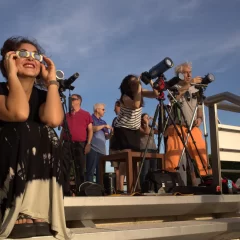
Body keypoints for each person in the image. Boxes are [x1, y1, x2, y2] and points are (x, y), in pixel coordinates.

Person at [0, 37, 71, 239]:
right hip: (4, 167)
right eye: (22, 54)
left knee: (49, 133)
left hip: (27, 167)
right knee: (23, 129)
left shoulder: (42, 95)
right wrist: (11, 75)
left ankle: (37, 209)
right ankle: (14, 207)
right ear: (9, 59)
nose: (30, 58)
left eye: (36, 55)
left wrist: (52, 82)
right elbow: (19, 114)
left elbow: (54, 120)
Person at [164, 62, 212, 185]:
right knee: (173, 155)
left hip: (193, 127)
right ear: (179, 74)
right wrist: (189, 84)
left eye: (190, 72)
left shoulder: (196, 89)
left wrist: (200, 118)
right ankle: (171, 180)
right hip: (177, 126)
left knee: (201, 151)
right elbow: (175, 99)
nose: (189, 74)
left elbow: (200, 107)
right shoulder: (173, 86)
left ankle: (207, 178)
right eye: (185, 72)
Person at [112, 74, 158, 191]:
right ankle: (120, 188)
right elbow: (136, 104)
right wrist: (139, 87)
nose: (136, 84)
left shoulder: (140, 91)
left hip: (134, 129)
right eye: (133, 83)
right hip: (122, 128)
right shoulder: (125, 97)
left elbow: (155, 94)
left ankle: (136, 187)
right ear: (127, 86)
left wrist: (150, 81)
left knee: (135, 160)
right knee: (126, 158)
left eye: (136, 82)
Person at [60, 94, 93, 196]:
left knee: (80, 168)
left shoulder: (86, 114)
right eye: (70, 99)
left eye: (73, 99)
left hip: (80, 144)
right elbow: (62, 130)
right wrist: (60, 143)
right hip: (67, 144)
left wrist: (88, 144)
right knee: (65, 167)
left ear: (79, 101)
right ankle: (65, 191)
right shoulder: (66, 115)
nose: (71, 101)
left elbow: (90, 130)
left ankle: (80, 191)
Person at [86, 103, 111, 184]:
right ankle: (89, 190)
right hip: (93, 149)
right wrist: (104, 126)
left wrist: (112, 133)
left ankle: (99, 191)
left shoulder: (103, 121)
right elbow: (92, 129)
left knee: (101, 173)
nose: (105, 111)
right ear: (97, 109)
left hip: (102, 151)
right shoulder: (90, 118)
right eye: (103, 109)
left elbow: (107, 137)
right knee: (90, 171)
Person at [139, 113, 158, 189]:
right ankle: (143, 187)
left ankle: (154, 186)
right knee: (145, 170)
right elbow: (146, 132)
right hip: (144, 149)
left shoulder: (151, 128)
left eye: (148, 117)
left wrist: (154, 121)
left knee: (154, 170)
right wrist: (146, 123)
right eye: (146, 117)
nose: (148, 118)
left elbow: (161, 131)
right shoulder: (140, 127)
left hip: (153, 149)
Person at [109, 100, 123, 193]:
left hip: (121, 147)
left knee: (122, 168)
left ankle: (121, 188)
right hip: (114, 147)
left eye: (115, 107)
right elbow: (112, 133)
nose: (114, 109)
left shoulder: (124, 118)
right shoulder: (115, 119)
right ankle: (118, 189)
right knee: (116, 169)